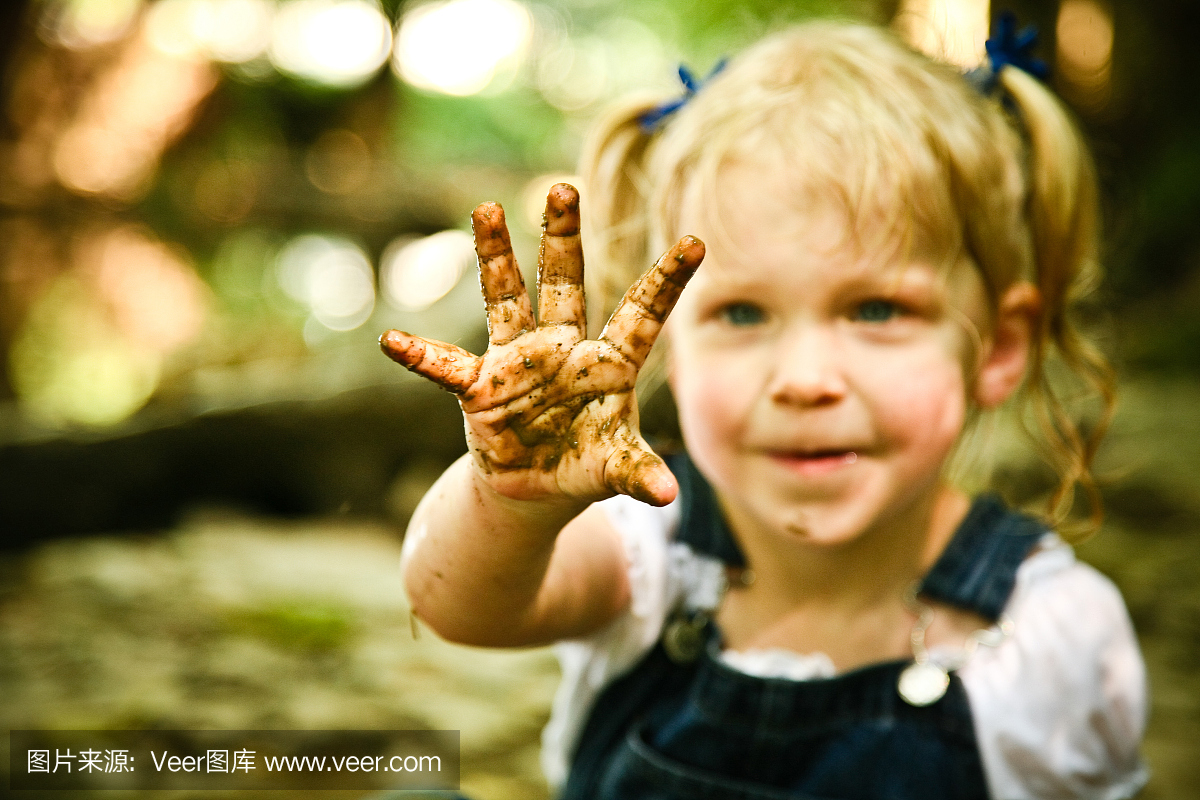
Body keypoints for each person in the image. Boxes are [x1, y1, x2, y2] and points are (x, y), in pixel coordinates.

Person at [380, 18, 1147, 800]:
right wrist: (508, 500)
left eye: (876, 310)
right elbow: (455, 605)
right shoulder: (652, 554)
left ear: (998, 347)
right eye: (743, 314)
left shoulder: (1049, 638)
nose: (805, 379)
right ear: (669, 342)